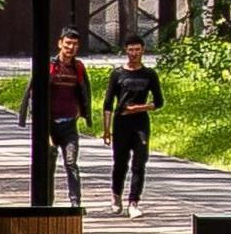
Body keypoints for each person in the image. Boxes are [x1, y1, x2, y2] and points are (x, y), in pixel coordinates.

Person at [35, 33, 94, 203]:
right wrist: (43, 128)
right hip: (49, 125)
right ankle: (47, 202)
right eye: (67, 43)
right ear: (60, 43)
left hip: (69, 125)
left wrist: (82, 113)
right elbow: (36, 95)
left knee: (71, 162)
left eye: (75, 44)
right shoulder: (50, 66)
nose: (71, 48)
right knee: (49, 164)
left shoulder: (78, 68)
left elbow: (84, 92)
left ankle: (75, 203)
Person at [107, 38, 164, 208]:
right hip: (121, 123)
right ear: (126, 51)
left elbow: (159, 102)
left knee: (139, 163)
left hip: (140, 123)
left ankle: (134, 202)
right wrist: (106, 129)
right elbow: (108, 103)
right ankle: (116, 194)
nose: (134, 53)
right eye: (131, 50)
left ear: (143, 50)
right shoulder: (117, 74)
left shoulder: (149, 74)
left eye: (137, 50)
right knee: (120, 163)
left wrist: (140, 108)